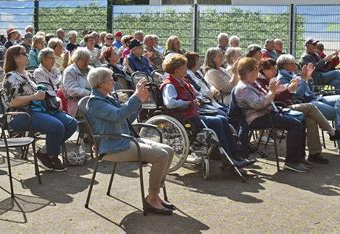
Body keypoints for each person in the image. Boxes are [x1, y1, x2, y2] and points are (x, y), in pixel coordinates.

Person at [86, 67, 175, 215]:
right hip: (113, 147)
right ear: (100, 83)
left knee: (169, 151)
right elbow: (118, 115)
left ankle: (155, 195)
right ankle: (151, 198)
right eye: (110, 78)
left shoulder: (106, 98)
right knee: (161, 155)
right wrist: (135, 96)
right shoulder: (95, 102)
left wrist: (139, 101)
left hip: (124, 141)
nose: (113, 81)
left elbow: (126, 120)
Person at [160, 54, 253, 167]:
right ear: (176, 70)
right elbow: (170, 103)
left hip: (194, 113)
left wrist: (198, 98)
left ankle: (235, 154)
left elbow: (198, 93)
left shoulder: (183, 81)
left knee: (223, 119)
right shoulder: (169, 85)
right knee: (217, 121)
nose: (186, 68)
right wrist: (188, 102)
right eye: (184, 67)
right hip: (184, 118)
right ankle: (227, 158)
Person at [257, 58, 340, 163]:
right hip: (284, 107)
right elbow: (296, 96)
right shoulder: (276, 79)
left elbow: (297, 93)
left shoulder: (278, 78)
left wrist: (307, 79)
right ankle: (334, 134)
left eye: (275, 68)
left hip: (295, 103)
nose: (274, 71)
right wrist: (298, 83)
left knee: (313, 119)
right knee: (318, 108)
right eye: (272, 69)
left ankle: (314, 153)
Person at [3, 45, 77, 171]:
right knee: (57, 126)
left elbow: (42, 93)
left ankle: (45, 152)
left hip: (39, 109)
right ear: (15, 58)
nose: (27, 56)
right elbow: (12, 102)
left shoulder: (28, 75)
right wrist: (34, 97)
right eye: (24, 53)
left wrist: (55, 99)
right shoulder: (11, 77)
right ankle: (52, 156)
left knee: (71, 123)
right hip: (20, 114)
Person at [234, 57, 309, 172]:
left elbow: (265, 98)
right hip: (257, 118)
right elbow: (259, 104)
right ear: (249, 71)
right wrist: (272, 92)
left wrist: (274, 91)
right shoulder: (243, 88)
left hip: (266, 114)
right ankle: (291, 162)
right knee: (295, 125)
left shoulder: (251, 83)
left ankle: (299, 157)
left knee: (301, 120)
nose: (258, 71)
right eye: (256, 69)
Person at [62, 48, 92, 117]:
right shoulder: (70, 71)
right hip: (77, 105)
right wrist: (89, 93)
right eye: (82, 60)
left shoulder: (91, 69)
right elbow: (71, 90)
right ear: (76, 60)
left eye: (87, 60)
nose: (85, 62)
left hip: (93, 102)